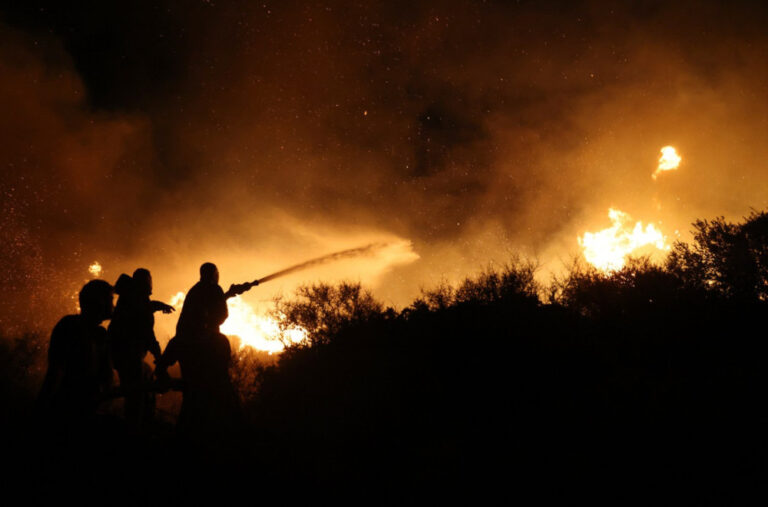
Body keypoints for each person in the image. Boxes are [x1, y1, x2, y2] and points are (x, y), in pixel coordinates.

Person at [157, 262, 254, 445]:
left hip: (185, 346)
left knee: (191, 403)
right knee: (217, 399)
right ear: (214, 275)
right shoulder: (216, 341)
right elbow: (219, 314)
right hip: (205, 349)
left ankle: (184, 442)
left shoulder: (194, 292)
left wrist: (228, 294)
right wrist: (224, 296)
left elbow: (204, 309)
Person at [37, 279, 115, 435]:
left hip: (86, 411)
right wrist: (41, 410)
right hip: (68, 410)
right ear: (99, 302)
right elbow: (56, 371)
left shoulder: (100, 334)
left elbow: (106, 378)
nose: (113, 305)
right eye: (110, 299)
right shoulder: (71, 326)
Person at [108, 268, 174, 430]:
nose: (151, 284)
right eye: (148, 280)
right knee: (136, 396)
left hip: (120, 354)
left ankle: (141, 425)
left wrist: (158, 305)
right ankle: (135, 432)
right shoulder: (136, 303)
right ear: (143, 283)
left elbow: (145, 307)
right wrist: (160, 359)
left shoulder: (131, 299)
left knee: (144, 380)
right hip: (129, 355)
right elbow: (148, 334)